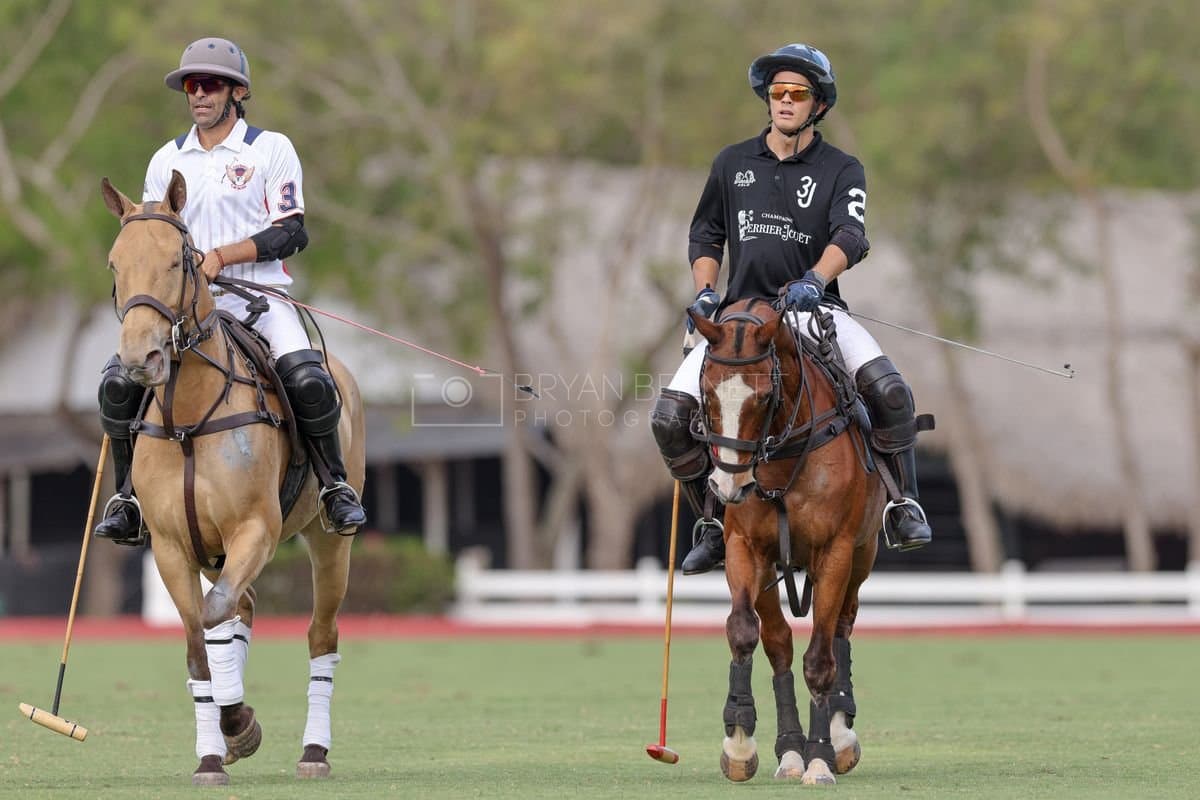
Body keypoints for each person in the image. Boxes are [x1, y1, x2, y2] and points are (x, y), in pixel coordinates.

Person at [650, 43, 932, 575]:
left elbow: (851, 235)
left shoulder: (841, 168)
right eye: (776, 92)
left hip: (811, 309)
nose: (784, 101)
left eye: (796, 93)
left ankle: (902, 505)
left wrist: (814, 279)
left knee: (891, 392)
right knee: (668, 419)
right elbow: (706, 232)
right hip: (736, 319)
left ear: (818, 105)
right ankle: (711, 519)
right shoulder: (732, 162)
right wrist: (706, 291)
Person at [93, 36, 366, 545]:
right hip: (187, 314)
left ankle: (333, 486)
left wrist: (221, 257)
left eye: (210, 84)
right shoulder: (165, 159)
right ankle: (128, 496)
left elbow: (292, 231)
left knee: (309, 379)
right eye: (191, 86)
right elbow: (153, 236)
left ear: (235, 91)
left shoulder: (269, 149)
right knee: (117, 383)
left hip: (260, 303)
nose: (199, 94)